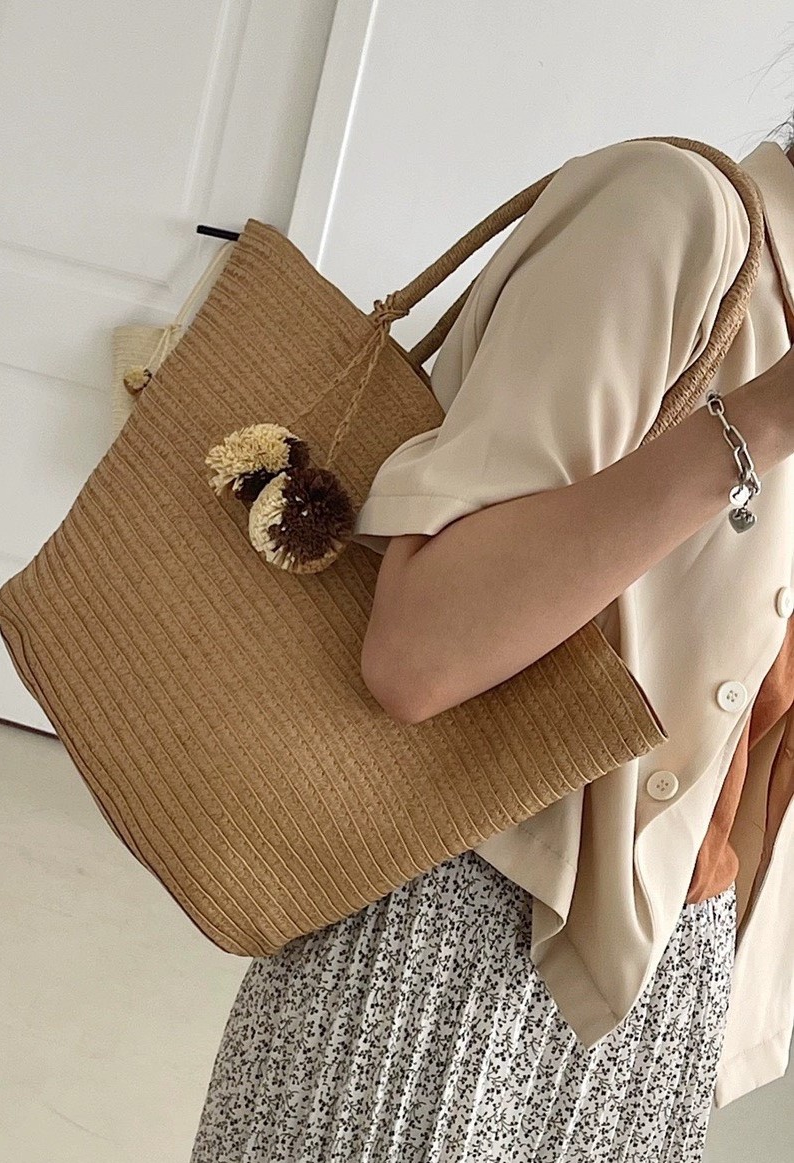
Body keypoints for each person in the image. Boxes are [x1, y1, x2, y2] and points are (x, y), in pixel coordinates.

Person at [187, 120, 794, 1162]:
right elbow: (418, 652)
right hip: (451, 940)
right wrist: (765, 420)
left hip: (668, 981)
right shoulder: (671, 218)